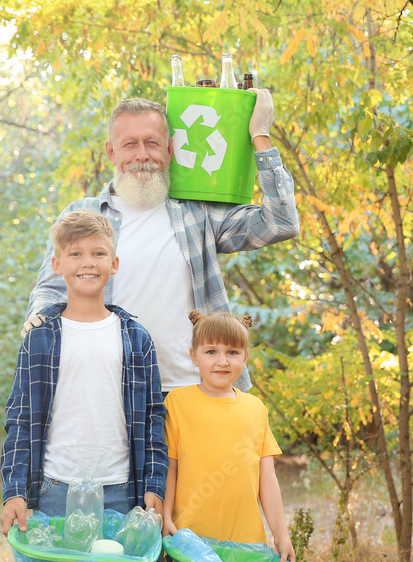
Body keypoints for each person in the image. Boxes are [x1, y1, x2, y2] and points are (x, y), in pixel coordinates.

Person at [23, 91, 299, 395]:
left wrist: (260, 135)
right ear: (111, 152)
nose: (142, 154)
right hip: (117, 392)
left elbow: (280, 222)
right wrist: (40, 319)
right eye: (130, 144)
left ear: (169, 150)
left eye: (152, 143)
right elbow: (50, 288)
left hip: (197, 389)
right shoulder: (83, 214)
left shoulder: (198, 212)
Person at [0, 211, 167, 562]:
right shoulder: (40, 339)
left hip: (120, 496)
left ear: (116, 263)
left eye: (98, 253)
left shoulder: (136, 338)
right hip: (55, 495)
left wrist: (154, 486)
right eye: (75, 254)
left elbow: (153, 417)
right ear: (57, 264)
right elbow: (21, 417)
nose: (87, 262)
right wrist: (15, 491)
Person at [161, 310, 295, 559]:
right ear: (194, 356)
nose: (222, 361)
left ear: (245, 357)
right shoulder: (177, 402)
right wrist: (166, 516)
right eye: (211, 352)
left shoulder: (256, 408)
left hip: (245, 542)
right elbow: (170, 466)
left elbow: (267, 477)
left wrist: (281, 535)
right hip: (189, 538)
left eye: (232, 352)